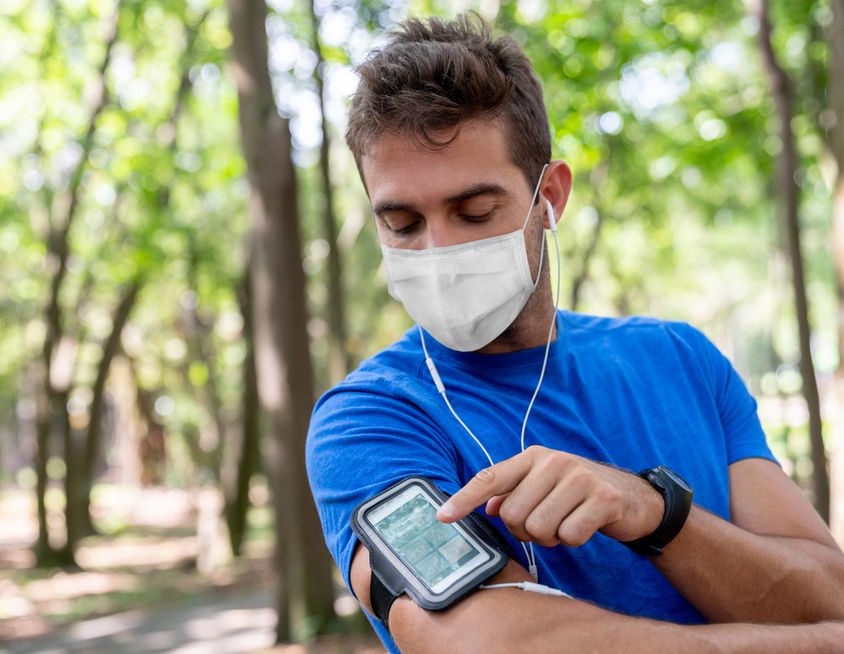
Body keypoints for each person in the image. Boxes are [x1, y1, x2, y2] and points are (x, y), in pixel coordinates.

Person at [305, 14, 844, 653]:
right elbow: (490, 644)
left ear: (550, 197)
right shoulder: (368, 421)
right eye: (401, 224)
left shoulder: (681, 359)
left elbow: (826, 591)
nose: (439, 248)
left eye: (474, 212)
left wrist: (652, 511)